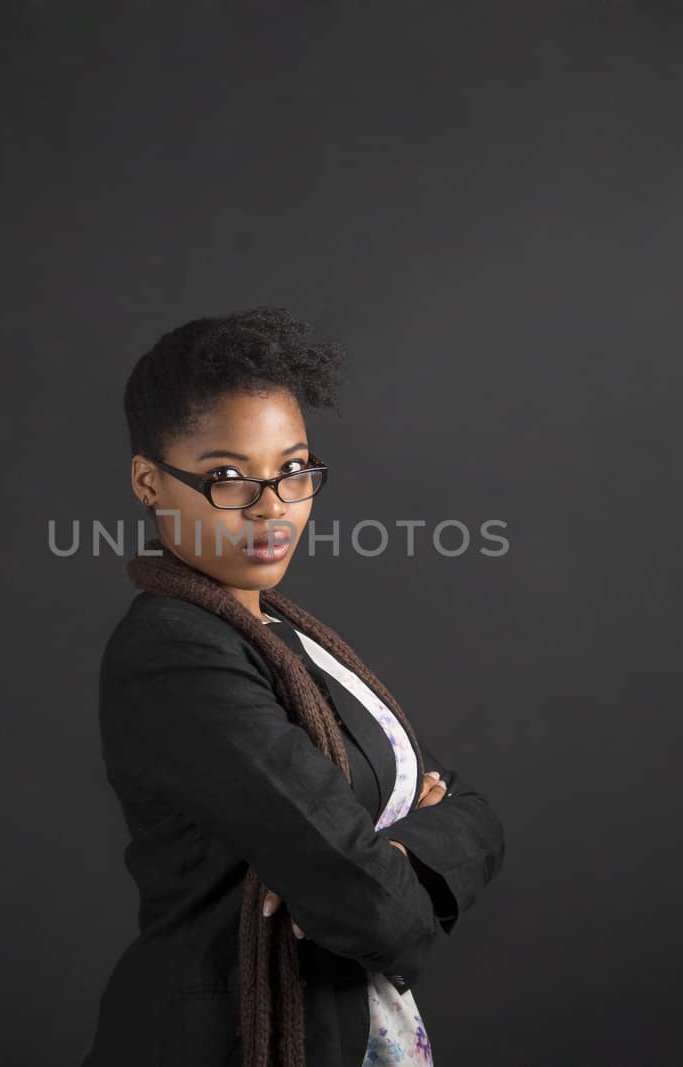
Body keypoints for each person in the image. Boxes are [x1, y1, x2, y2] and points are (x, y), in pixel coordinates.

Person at [83, 307, 506, 1066]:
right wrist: (386, 862)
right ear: (149, 481)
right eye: (226, 477)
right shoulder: (175, 653)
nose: (272, 505)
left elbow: (476, 815)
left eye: (293, 468)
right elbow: (374, 909)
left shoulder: (288, 636)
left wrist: (394, 856)